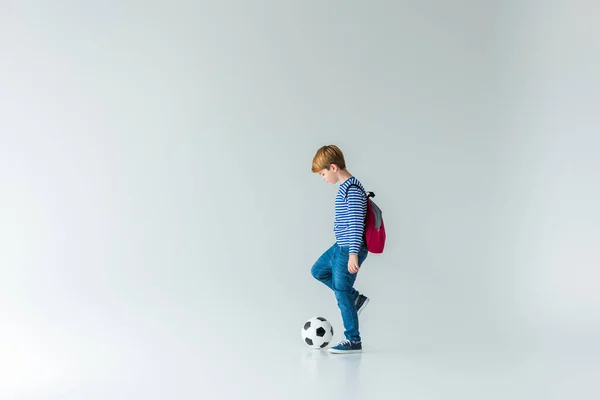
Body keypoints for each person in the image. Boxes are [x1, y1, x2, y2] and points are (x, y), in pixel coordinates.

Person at [310, 144, 370, 354]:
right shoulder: (345, 188)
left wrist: (353, 254)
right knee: (318, 271)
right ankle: (355, 298)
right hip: (340, 246)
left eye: (323, 173)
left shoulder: (352, 190)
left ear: (334, 167)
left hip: (348, 248)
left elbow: (356, 223)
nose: (323, 178)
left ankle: (353, 340)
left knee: (341, 293)